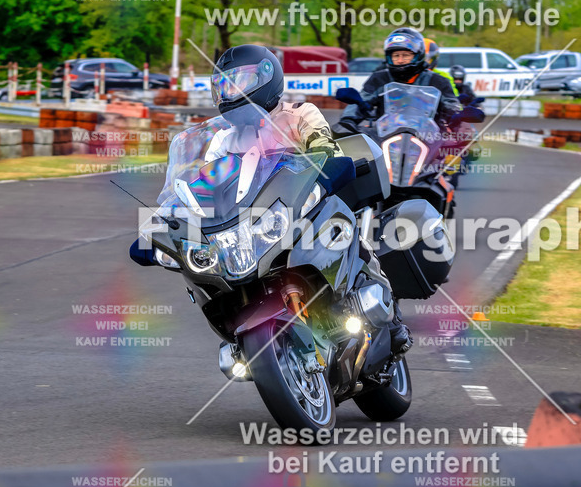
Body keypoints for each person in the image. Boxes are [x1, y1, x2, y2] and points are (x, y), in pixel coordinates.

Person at [157, 44, 412, 353]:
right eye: (224, 85)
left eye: (240, 82)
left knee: (350, 231)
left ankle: (392, 318)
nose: (231, 91)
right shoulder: (225, 139)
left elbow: (325, 152)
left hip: (304, 206)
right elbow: (206, 183)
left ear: (267, 77)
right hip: (253, 223)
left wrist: (330, 166)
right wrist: (171, 220)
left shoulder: (298, 115)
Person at [339, 28, 461, 133]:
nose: (400, 60)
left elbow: (451, 105)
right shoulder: (379, 78)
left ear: (418, 55)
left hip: (429, 138)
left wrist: (458, 116)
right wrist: (348, 120)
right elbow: (363, 100)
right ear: (389, 57)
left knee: (454, 157)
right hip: (385, 136)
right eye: (396, 56)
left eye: (406, 55)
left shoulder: (438, 81)